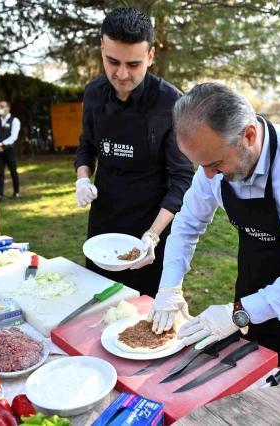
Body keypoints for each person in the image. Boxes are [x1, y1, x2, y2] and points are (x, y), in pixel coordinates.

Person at [148, 83, 280, 384]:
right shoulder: (212, 163)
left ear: (249, 135)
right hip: (255, 278)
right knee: (248, 379)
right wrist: (169, 288)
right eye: (200, 165)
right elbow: (187, 223)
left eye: (215, 164)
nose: (206, 176)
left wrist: (240, 313)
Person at [74, 7, 194, 297]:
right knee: (96, 301)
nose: (122, 73)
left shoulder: (171, 102)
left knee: (140, 310)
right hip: (103, 222)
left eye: (134, 64)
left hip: (149, 227)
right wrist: (82, 177)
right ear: (102, 46)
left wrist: (153, 235)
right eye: (112, 61)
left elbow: (182, 178)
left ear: (150, 56)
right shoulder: (93, 94)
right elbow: (87, 145)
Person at [0, 100, 20, 201]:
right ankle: (0, 194)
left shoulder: (15, 120)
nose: (1, 108)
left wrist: (2, 144)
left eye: (3, 106)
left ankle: (16, 192)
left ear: (8, 108)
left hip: (9, 150)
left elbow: (14, 136)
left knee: (13, 171)